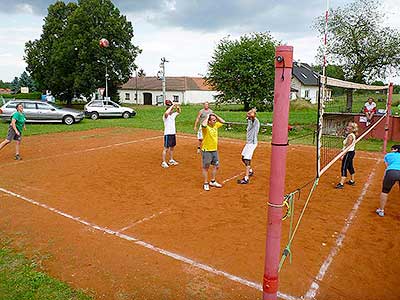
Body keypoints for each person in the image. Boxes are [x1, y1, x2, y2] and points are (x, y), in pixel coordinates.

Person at [201, 113, 225, 191]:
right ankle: (205, 183)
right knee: (206, 167)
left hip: (214, 150)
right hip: (207, 150)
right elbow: (203, 124)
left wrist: (215, 115)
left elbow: (223, 122)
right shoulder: (206, 128)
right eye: (213, 120)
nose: (215, 121)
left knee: (216, 165)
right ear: (209, 121)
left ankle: (213, 181)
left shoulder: (216, 125)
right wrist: (207, 116)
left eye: (215, 120)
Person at [376, 144, 400, 217]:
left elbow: (387, 166)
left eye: (392, 149)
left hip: (392, 172)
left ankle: (381, 210)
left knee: (385, 191)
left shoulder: (388, 155)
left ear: (395, 149)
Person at [237, 108, 260, 184]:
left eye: (249, 114)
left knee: (247, 159)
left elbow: (253, 116)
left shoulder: (255, 121)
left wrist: (252, 113)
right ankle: (250, 171)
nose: (248, 115)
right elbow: (248, 116)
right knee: (243, 158)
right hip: (248, 143)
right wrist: (249, 114)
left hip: (252, 143)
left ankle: (246, 178)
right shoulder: (249, 120)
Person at [335, 122, 358, 189]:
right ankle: (352, 180)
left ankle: (341, 183)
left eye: (349, 126)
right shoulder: (351, 134)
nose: (347, 127)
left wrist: (342, 155)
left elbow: (347, 147)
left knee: (344, 167)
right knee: (350, 166)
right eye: (348, 126)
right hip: (351, 153)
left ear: (352, 128)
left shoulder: (350, 136)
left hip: (348, 153)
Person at [161, 100, 181, 168]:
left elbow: (179, 112)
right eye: (171, 110)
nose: (172, 111)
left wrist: (177, 107)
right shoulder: (165, 116)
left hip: (173, 134)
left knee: (172, 148)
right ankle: (163, 162)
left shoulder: (173, 116)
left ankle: (171, 160)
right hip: (167, 134)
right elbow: (166, 113)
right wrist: (172, 106)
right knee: (166, 148)